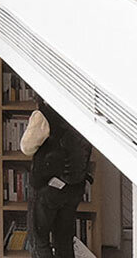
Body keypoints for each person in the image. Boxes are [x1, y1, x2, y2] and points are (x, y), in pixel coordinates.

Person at [22, 103, 92, 258]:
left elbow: (26, 147)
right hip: (75, 186)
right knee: (64, 240)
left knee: (39, 241)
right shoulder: (84, 109)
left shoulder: (46, 113)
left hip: (47, 186)